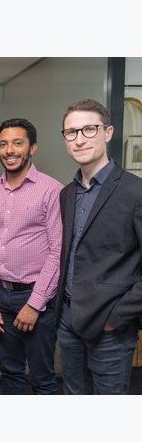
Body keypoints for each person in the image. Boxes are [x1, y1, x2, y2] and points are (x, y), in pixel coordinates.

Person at [56, 99, 142, 394]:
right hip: (68, 321)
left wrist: (117, 318)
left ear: (108, 132)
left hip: (110, 329)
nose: (79, 139)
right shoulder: (67, 193)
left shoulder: (135, 191)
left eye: (89, 129)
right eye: (71, 132)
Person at [0, 118, 63, 394]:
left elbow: (58, 252)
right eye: (3, 144)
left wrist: (35, 304)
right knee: (9, 373)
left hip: (38, 297)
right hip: (0, 298)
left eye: (17, 143)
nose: (9, 150)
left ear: (32, 147)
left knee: (42, 378)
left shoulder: (52, 190)